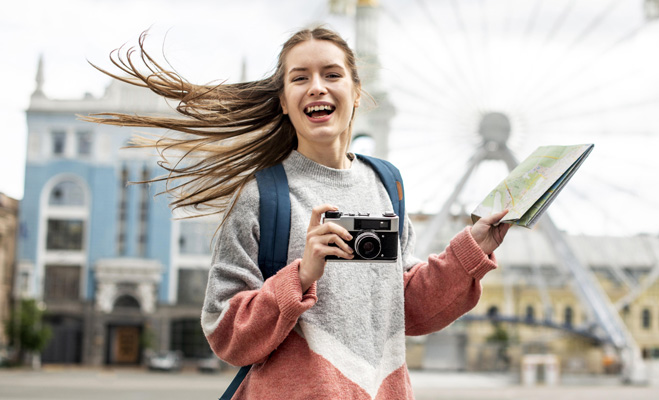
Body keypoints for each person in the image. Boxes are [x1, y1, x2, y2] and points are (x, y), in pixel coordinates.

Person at [84, 26, 510, 399]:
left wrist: (472, 248)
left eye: (332, 74)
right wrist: (300, 276)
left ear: (357, 92)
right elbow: (223, 331)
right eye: (300, 78)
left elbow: (409, 308)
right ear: (285, 102)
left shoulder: (387, 184)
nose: (317, 87)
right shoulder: (261, 195)